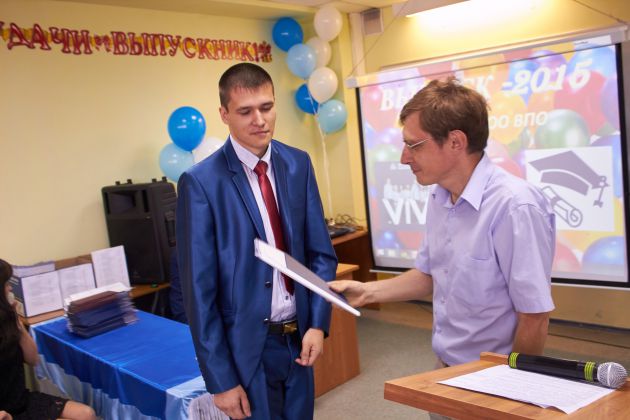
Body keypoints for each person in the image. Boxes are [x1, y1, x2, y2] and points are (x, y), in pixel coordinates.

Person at [331, 77, 556, 370]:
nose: (404, 158)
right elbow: (430, 274)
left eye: (413, 145)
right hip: (446, 364)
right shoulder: (440, 196)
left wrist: (511, 386)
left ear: (455, 142)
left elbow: (534, 317)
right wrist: (366, 291)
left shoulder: (515, 206)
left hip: (494, 376)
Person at [176, 63, 337, 420]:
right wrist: (221, 381)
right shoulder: (201, 183)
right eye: (245, 111)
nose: (259, 120)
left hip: (300, 338)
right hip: (247, 350)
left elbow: (321, 255)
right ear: (224, 114)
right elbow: (199, 293)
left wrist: (317, 323)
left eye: (266, 107)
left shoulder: (298, 163)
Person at [0, 259, 96, 420]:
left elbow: (33, 360)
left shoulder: (8, 321)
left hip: (21, 400)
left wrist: (17, 323)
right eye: (6, 284)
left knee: (87, 414)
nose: (10, 288)